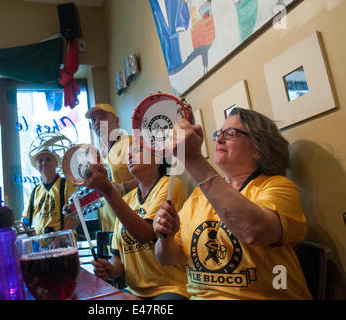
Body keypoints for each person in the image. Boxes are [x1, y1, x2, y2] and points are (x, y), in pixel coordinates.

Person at [153, 107, 312, 300]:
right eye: (218, 134)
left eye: (230, 133)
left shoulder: (278, 187)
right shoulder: (198, 195)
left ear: (258, 149)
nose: (218, 139)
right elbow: (167, 258)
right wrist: (166, 237)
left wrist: (193, 159)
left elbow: (253, 231)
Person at [85, 142, 189, 300]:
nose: (129, 155)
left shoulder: (169, 186)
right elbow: (118, 259)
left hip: (171, 288)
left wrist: (107, 189)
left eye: (138, 149)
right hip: (133, 291)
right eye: (128, 152)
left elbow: (145, 234)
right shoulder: (126, 200)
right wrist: (110, 269)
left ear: (157, 157)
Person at [85, 103, 139, 232]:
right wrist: (77, 206)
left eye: (102, 117)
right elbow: (102, 192)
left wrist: (124, 187)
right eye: (93, 120)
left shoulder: (131, 143)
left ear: (116, 121)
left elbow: (154, 176)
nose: (97, 122)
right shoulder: (98, 156)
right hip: (110, 228)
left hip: (134, 223)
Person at [22, 147, 78, 235]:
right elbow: (26, 219)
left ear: (56, 163)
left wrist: (60, 236)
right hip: (41, 245)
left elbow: (77, 215)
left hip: (65, 243)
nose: (44, 163)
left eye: (48, 159)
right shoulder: (35, 191)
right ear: (36, 166)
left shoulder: (67, 185)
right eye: (40, 160)